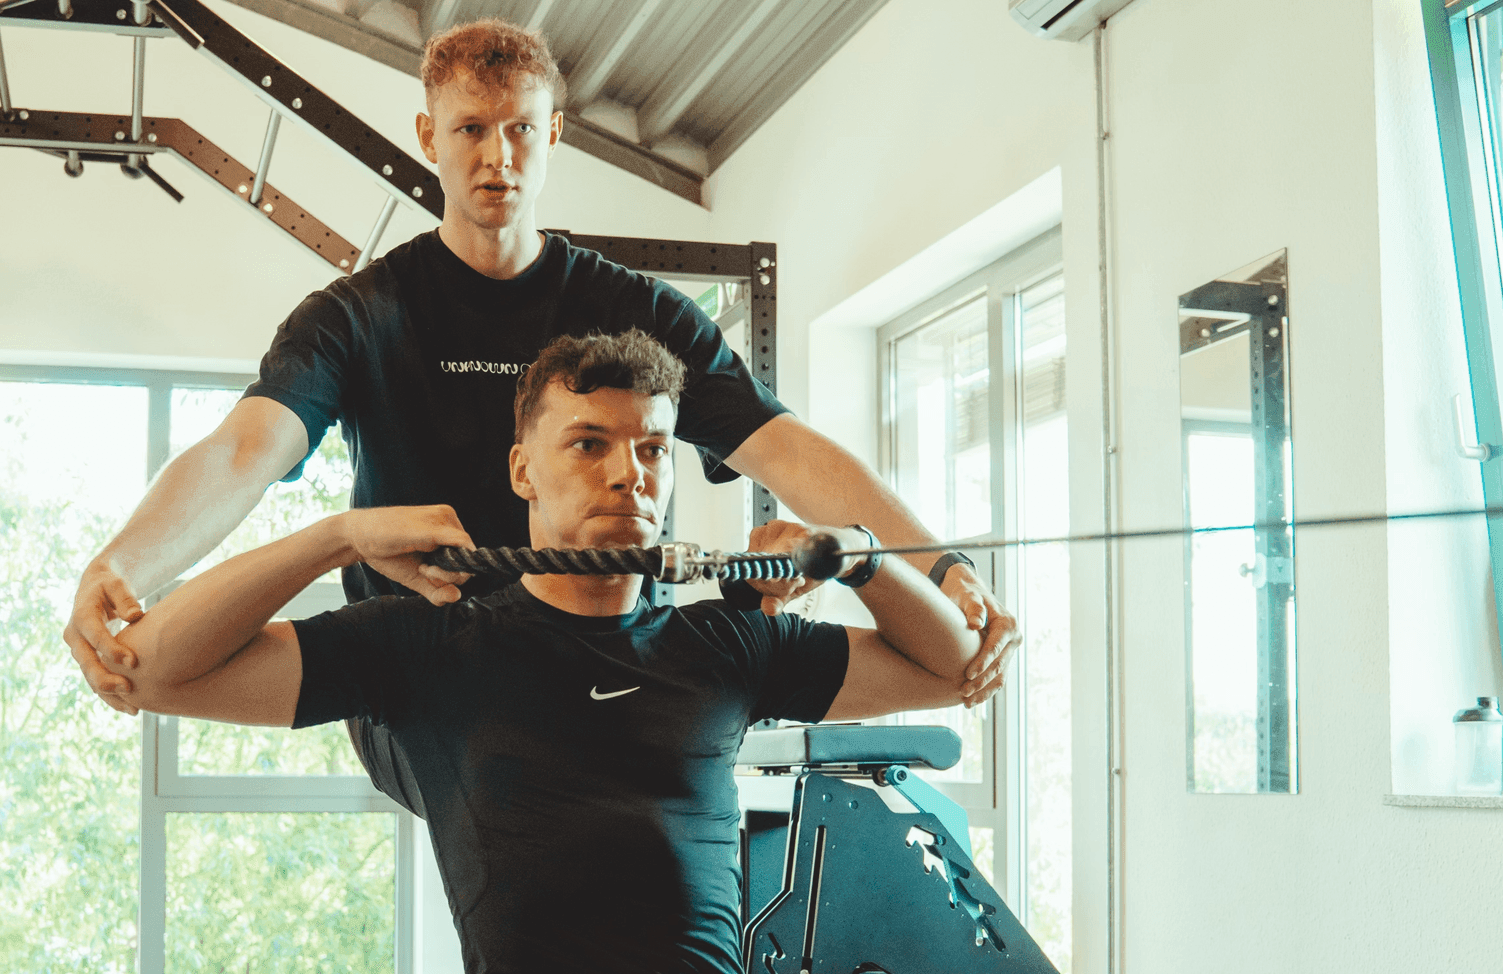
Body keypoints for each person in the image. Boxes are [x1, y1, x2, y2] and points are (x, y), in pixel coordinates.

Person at [101, 331, 1185, 974]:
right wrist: (334, 539)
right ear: (522, 466)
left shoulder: (719, 641)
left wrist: (858, 557)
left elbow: (950, 666)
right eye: (591, 442)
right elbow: (153, 664)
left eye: (655, 447)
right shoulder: (426, 645)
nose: (631, 471)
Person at [63, 17, 1020, 767]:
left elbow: (786, 449)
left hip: (601, 643)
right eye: (472, 130)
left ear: (554, 132)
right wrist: (127, 570)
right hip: (430, 669)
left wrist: (935, 566)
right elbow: (243, 451)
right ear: (427, 134)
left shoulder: (638, 312)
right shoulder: (359, 314)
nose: (497, 159)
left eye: (521, 131)